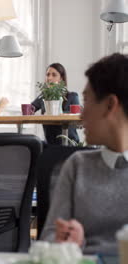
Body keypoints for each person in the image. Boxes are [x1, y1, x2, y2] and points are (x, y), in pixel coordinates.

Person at [40, 53, 128, 254]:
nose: (81, 114)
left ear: (109, 105)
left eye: (86, 100)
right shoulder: (77, 165)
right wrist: (71, 242)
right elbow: (49, 237)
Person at [31, 63, 80, 145]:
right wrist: (30, 110)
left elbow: (77, 116)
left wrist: (59, 114)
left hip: (70, 144)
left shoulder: (72, 96)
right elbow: (31, 108)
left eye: (54, 75)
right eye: (47, 75)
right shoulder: (43, 96)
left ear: (61, 78)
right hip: (50, 144)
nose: (49, 78)